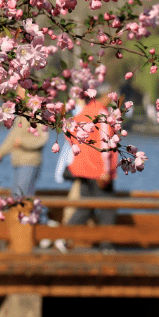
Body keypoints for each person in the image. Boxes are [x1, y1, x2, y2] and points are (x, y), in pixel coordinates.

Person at [54, 92, 119, 226]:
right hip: (99, 171)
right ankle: (106, 244)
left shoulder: (80, 116)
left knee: (85, 208)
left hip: (83, 170)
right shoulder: (102, 115)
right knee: (108, 209)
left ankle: (65, 236)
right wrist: (106, 171)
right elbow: (105, 146)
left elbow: (69, 135)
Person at [0, 106, 49, 198]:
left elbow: (43, 139)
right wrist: (0, 154)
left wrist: (22, 142)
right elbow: (12, 138)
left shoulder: (37, 116)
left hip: (30, 162)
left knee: (22, 196)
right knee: (14, 195)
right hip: (17, 162)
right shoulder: (20, 116)